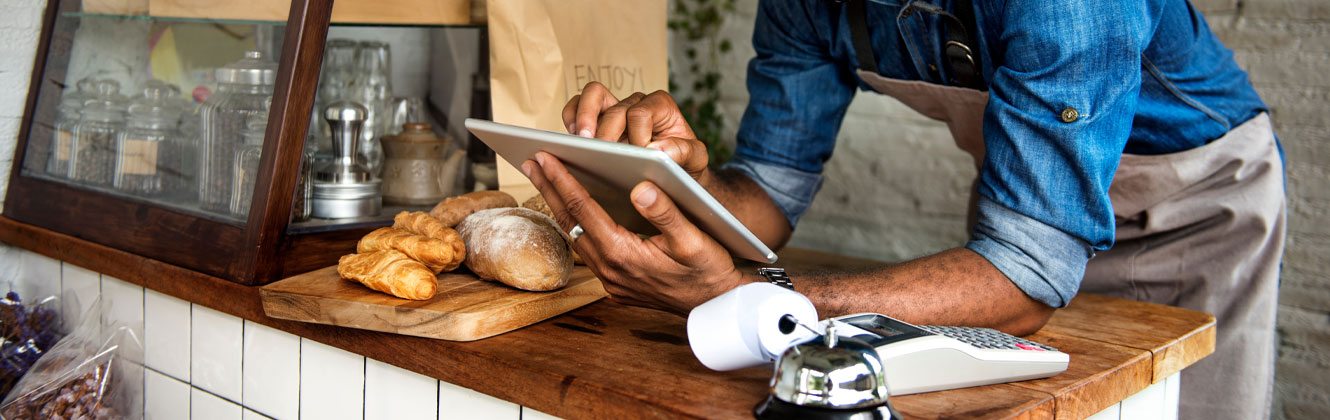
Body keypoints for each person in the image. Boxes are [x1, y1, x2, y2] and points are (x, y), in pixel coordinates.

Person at [520, 1, 1284, 419]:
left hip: (1192, 207)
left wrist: (763, 302)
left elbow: (1022, 275)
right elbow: (768, 200)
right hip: (1024, 210)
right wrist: (677, 181)